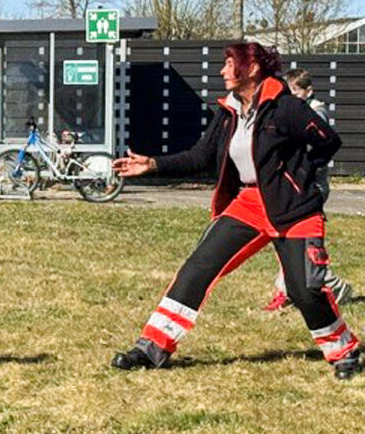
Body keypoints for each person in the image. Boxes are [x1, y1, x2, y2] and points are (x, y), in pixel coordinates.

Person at [109, 42, 361, 380]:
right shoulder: (228, 111)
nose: (223, 71)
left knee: (305, 290)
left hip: (294, 210)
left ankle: (344, 351)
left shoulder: (286, 107)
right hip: (248, 204)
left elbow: (328, 140)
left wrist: (299, 175)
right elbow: (200, 157)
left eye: (230, 64)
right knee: (196, 269)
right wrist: (153, 164)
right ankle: (152, 347)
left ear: (253, 68)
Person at [262, 68, 354, 310]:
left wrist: (304, 170)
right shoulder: (290, 111)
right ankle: (312, 287)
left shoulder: (314, 112)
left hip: (310, 185)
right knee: (287, 239)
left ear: (308, 91)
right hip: (293, 184)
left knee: (295, 242)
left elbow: (319, 146)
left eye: (295, 91)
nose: (290, 96)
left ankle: (311, 287)